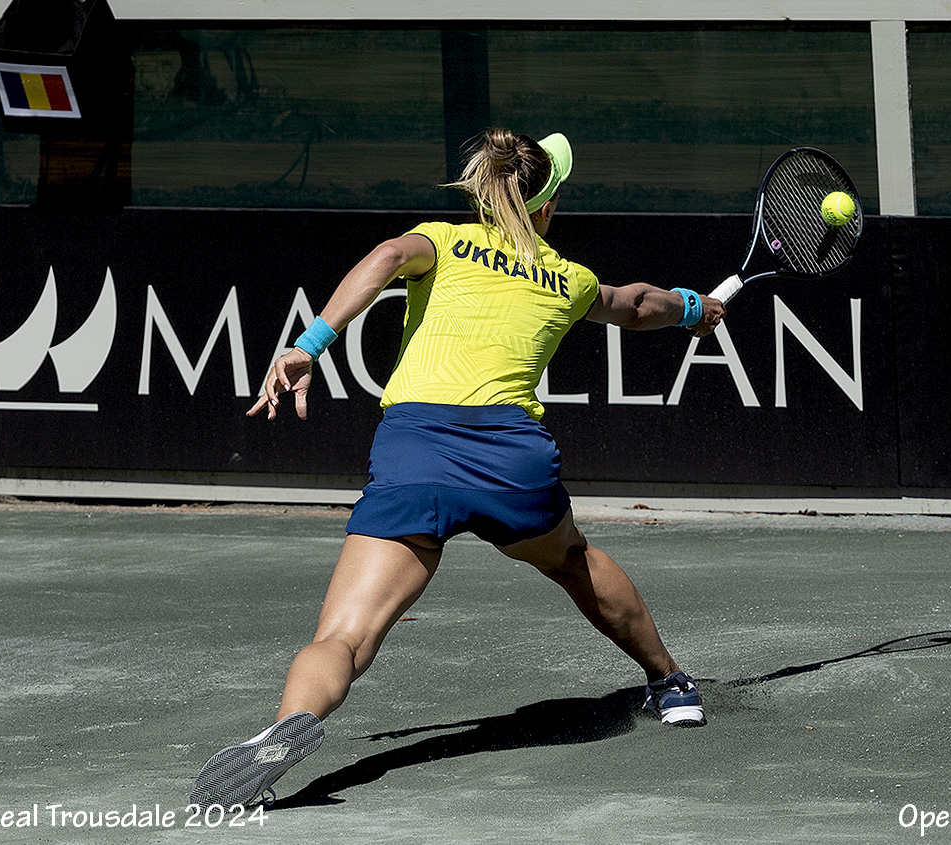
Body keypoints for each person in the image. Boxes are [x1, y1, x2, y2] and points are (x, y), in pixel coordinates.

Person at [189, 128, 725, 809]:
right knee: (573, 561)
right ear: (546, 205)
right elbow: (638, 304)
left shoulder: (440, 241)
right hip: (509, 460)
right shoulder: (571, 279)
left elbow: (387, 255)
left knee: (344, 636)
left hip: (415, 450)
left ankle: (284, 728)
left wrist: (309, 344)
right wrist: (693, 308)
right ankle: (671, 683)